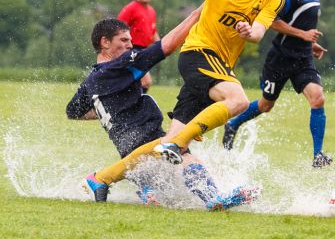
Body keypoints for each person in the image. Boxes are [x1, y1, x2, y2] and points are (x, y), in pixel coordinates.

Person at [83, 0, 289, 203]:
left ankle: (101, 178)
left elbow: (259, 33)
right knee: (237, 100)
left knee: (172, 142)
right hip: (198, 54)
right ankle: (177, 147)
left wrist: (249, 32)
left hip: (220, 66)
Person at [70, 13, 257, 210]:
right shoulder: (120, 65)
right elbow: (166, 46)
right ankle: (213, 198)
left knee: (161, 178)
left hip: (125, 145)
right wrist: (198, 13)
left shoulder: (90, 80)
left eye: (130, 41)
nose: (129, 45)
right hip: (146, 136)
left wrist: (107, 114)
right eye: (124, 40)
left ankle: (148, 192)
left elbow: (73, 111)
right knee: (183, 154)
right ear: (105, 42)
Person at [222, 0, 332, 168]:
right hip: (279, 59)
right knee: (265, 105)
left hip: (303, 60)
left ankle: (318, 155)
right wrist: (302, 35)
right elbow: (273, 21)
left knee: (318, 99)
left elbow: (301, 27)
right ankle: (233, 124)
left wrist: (310, 44)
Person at [117, 0, 160, 92]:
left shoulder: (152, 11)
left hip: (144, 50)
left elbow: (153, 32)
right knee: (146, 82)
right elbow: (117, 29)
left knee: (137, 82)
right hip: (131, 49)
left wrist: (163, 47)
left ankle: (130, 105)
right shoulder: (130, 8)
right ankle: (133, 105)